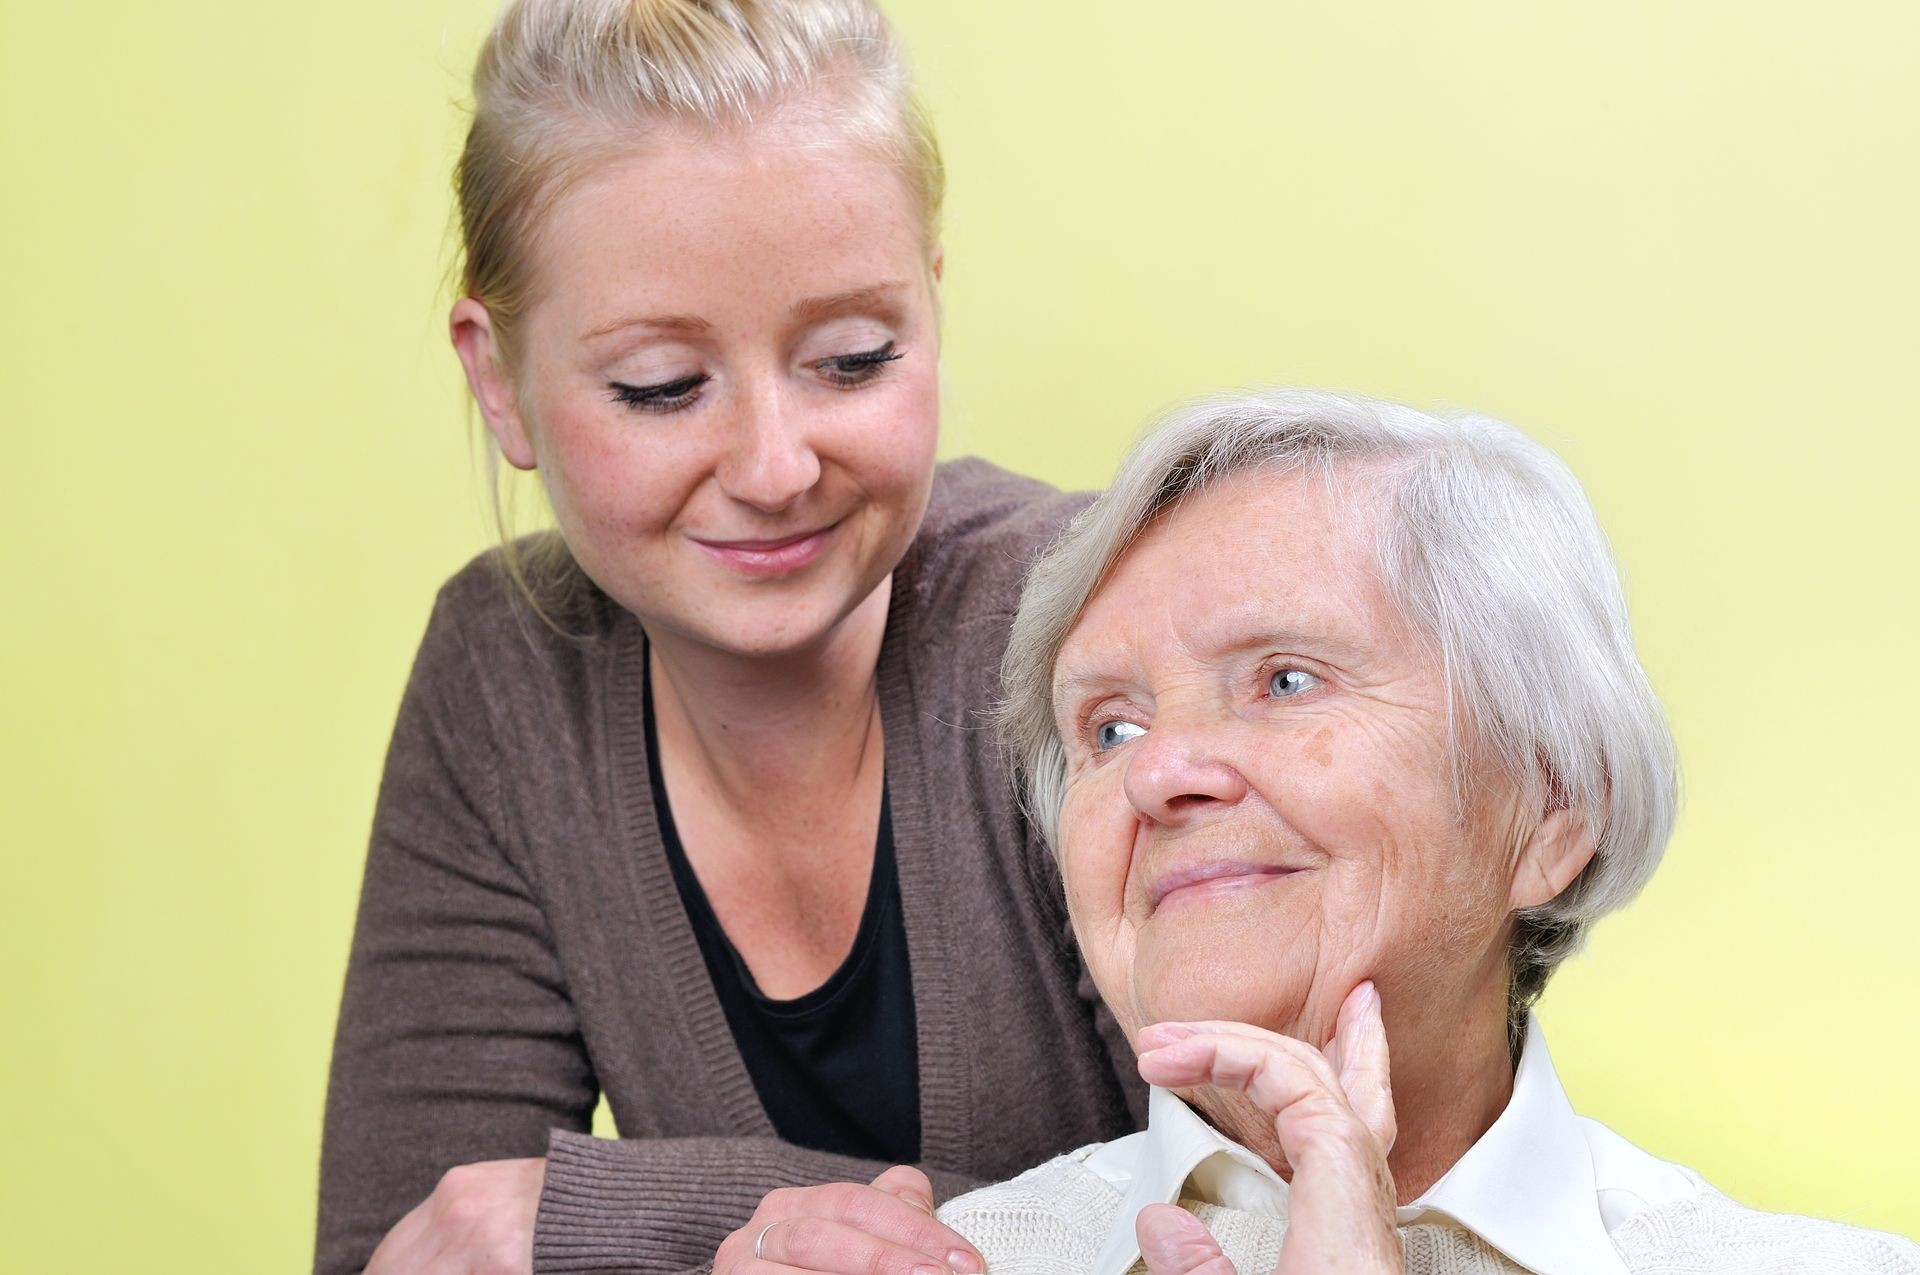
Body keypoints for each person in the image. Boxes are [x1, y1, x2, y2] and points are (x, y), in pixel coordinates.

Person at [313, 3, 1144, 1273]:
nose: (773, 465)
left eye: (852, 360)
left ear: (931, 298)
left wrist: (607, 1218)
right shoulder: (503, 675)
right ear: (499, 382)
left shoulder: (1103, 629)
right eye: (661, 386)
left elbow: (1277, 1217)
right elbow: (416, 1254)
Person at [928, 389, 1920, 1273]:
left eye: (1285, 681)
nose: (1156, 771)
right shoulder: (950, 1261)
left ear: (1552, 807)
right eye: (1110, 728)